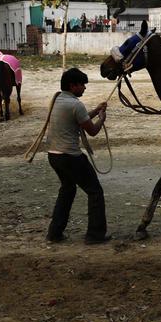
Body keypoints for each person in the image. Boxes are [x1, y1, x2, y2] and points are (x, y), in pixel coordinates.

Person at [45, 68, 111, 244]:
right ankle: (95, 235)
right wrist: (102, 118)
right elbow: (93, 130)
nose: (84, 88)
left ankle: (55, 233)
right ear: (72, 85)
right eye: (82, 85)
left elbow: (80, 120)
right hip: (70, 156)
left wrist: (96, 110)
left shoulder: (57, 99)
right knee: (95, 191)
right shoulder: (76, 104)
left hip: (53, 155)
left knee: (67, 190)